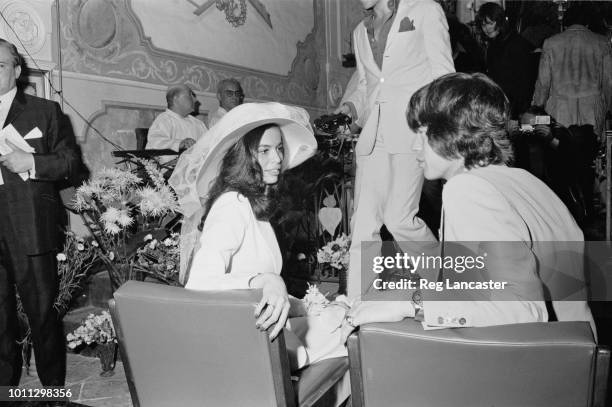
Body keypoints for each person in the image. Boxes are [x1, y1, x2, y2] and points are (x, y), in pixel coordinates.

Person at [339, 73, 595, 338]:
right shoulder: (526, 182)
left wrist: (411, 303)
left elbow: (526, 310)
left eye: (423, 134)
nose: (415, 146)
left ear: (453, 133)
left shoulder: (468, 190)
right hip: (571, 356)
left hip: (532, 364)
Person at [169, 103, 349, 385]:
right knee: (348, 331)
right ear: (244, 157)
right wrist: (262, 279)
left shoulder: (253, 204)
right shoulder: (232, 203)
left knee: (340, 315)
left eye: (279, 149)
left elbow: (261, 290)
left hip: (260, 332)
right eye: (264, 151)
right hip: (244, 346)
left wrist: (299, 304)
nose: (277, 158)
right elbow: (198, 283)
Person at [336, 0, 455, 298]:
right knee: (362, 222)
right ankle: (358, 305)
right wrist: (350, 108)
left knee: (400, 219)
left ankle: (445, 283)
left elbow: (443, 75)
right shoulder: (359, 31)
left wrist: (437, 127)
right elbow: (367, 85)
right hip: (374, 134)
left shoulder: (424, 9)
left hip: (413, 130)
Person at [0, 39, 85, 387]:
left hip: (29, 228)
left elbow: (71, 163)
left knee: (42, 317)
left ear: (17, 71)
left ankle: (52, 390)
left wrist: (31, 161)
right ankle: (6, 388)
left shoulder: (44, 110)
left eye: (0, 65)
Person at [532, 2, 612, 143]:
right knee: (591, 157)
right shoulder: (602, 43)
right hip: (592, 111)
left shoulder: (551, 43)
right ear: (587, 23)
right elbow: (609, 82)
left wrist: (537, 109)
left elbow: (543, 84)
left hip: (560, 111)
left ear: (566, 23)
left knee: (561, 156)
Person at [477, 2, 536, 118]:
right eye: (483, 25)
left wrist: (521, 111)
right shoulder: (493, 43)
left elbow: (525, 81)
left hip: (515, 106)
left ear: (499, 21)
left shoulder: (516, 43)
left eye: (490, 23)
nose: (486, 29)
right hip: (500, 103)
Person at [147, 84, 208, 162]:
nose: (195, 100)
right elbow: (155, 143)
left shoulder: (198, 124)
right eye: (190, 95)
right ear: (176, 99)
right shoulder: (164, 120)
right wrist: (180, 144)